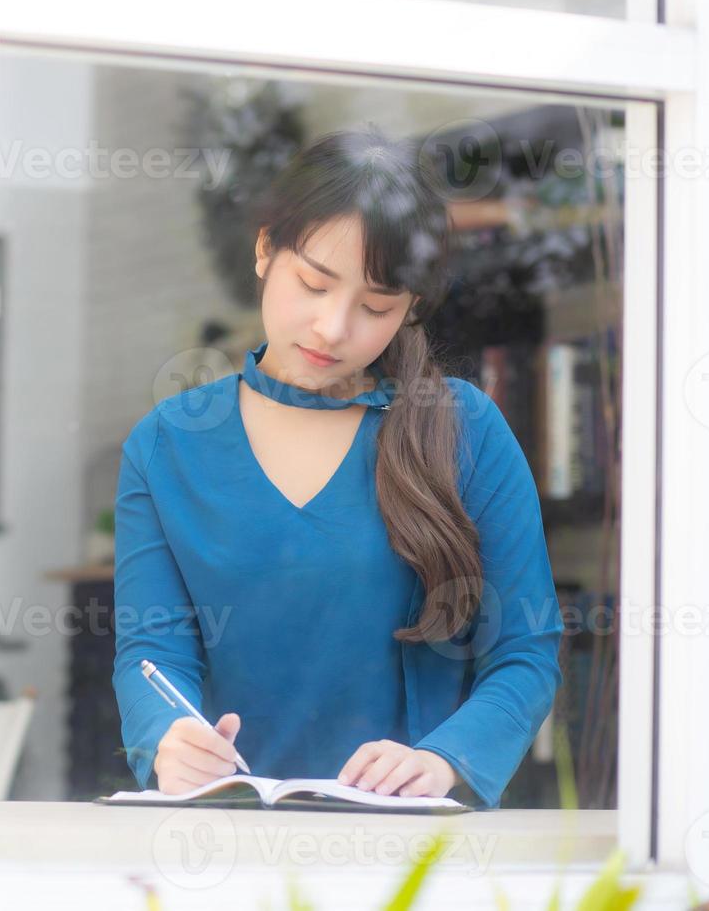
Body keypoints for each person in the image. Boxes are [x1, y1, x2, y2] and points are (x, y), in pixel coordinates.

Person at [110, 124, 565, 809]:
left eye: (375, 306)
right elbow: (151, 654)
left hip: (411, 844)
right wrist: (169, 735)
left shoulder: (463, 429)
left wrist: (442, 759)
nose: (332, 327)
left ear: (410, 309)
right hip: (225, 837)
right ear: (266, 249)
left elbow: (526, 652)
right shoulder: (168, 444)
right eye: (314, 284)